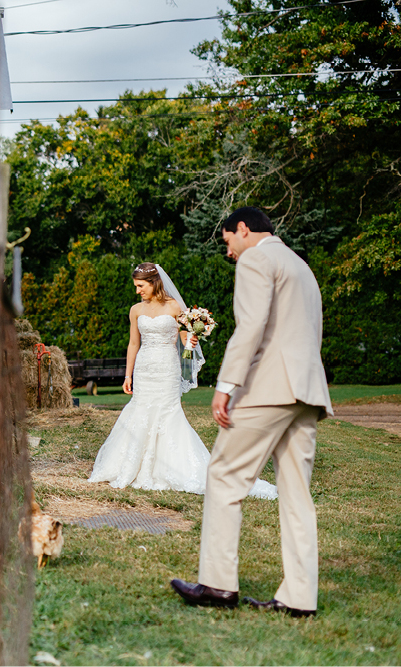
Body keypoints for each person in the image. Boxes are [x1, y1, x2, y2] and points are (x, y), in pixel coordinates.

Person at [171, 206, 332, 618]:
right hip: (308, 392)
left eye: (228, 241)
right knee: (297, 495)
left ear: (243, 229)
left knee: (224, 475)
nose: (229, 252)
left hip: (268, 389)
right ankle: (299, 598)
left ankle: (218, 585)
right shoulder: (300, 266)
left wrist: (226, 385)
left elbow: (251, 325)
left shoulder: (257, 259)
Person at [87, 262, 278, 499]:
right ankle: (131, 467)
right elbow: (133, 344)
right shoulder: (135, 310)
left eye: (140, 286)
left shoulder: (175, 306)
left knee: (168, 414)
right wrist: (128, 375)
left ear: (154, 283)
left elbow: (186, 348)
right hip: (145, 369)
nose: (137, 291)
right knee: (140, 411)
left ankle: (171, 467)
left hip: (168, 368)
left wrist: (191, 343)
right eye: (136, 286)